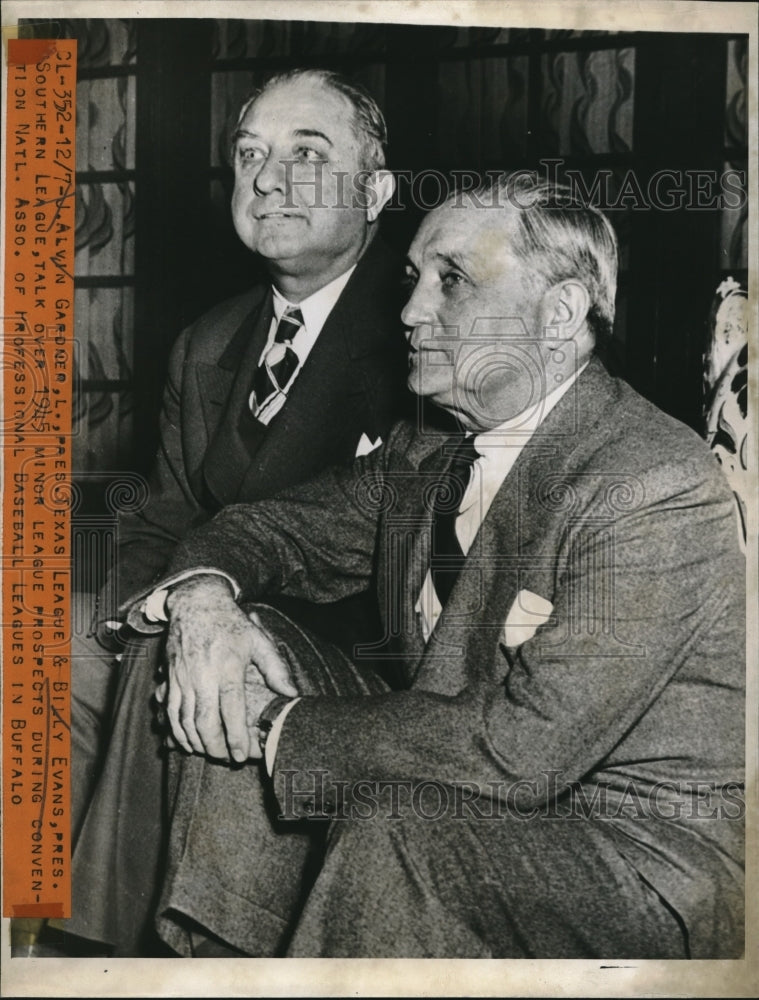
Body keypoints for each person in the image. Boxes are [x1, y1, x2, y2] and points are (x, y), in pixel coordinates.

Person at [126, 174, 746, 957]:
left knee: (393, 817)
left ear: (558, 313)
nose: (411, 311)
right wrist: (207, 601)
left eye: (451, 280)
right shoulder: (427, 449)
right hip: (463, 785)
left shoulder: (651, 483)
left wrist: (276, 725)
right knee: (227, 656)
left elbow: (523, 753)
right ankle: (228, 955)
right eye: (414, 278)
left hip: (631, 850)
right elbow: (265, 530)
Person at [61, 67, 410, 955]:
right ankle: (34, 926)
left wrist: (180, 612)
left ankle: (113, 945)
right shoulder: (210, 340)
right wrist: (129, 611)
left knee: (180, 657)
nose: (267, 178)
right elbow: (160, 518)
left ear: (375, 190)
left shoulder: (421, 333)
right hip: (204, 606)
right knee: (40, 641)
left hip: (357, 657)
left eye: (306, 152)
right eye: (250, 153)